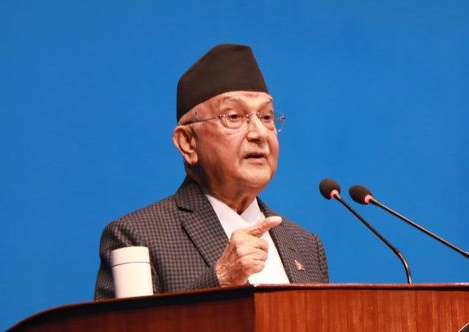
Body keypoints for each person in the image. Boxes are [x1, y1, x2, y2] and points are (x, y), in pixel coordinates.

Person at [94, 44, 328, 299]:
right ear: (188, 142)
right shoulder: (136, 238)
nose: (260, 133)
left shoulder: (306, 246)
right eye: (234, 116)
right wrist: (220, 278)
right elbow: (131, 327)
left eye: (267, 117)